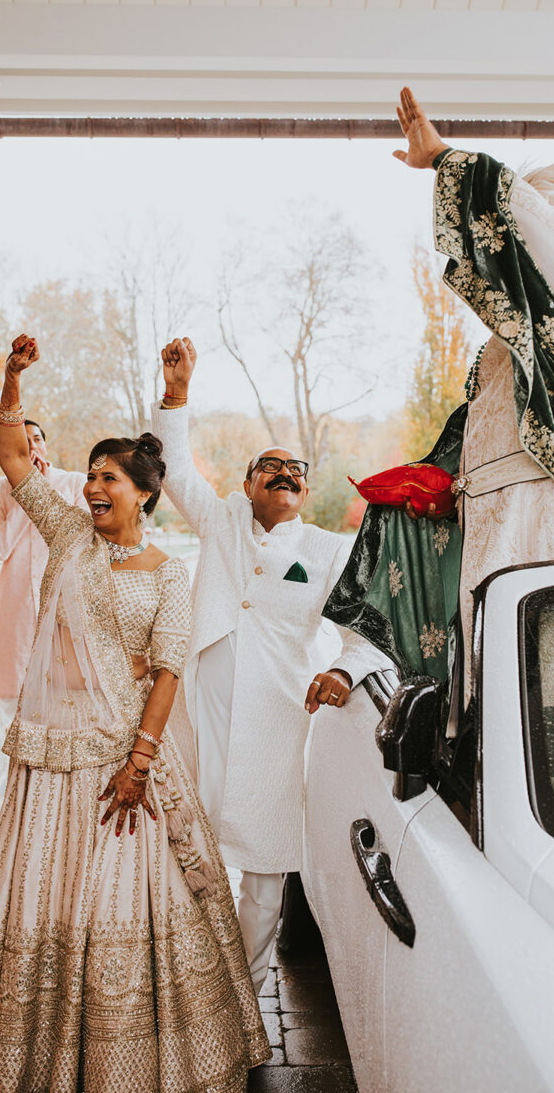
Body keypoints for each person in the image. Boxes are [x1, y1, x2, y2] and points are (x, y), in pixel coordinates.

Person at [0, 334, 270, 1093]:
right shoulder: (67, 536)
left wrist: (140, 763)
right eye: (90, 475)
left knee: (122, 904)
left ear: (143, 494)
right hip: (51, 760)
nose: (92, 487)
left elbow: (167, 670)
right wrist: (12, 382)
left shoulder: (167, 574)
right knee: (40, 900)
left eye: (108, 477)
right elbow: (15, 460)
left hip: (126, 763)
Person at [328, 88, 554, 809]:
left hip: (553, 535)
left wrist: (448, 160)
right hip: (492, 538)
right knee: (501, 725)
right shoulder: (504, 348)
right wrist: (438, 490)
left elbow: (547, 245)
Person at [151, 337, 387, 993]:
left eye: (296, 468)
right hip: (200, 718)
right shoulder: (221, 521)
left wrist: (344, 670)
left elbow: (370, 628)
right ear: (248, 484)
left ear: (305, 487)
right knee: (185, 849)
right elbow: (176, 472)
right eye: (270, 466)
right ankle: (183, 981)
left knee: (264, 868)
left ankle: (244, 997)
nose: (286, 473)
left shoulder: (328, 549)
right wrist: (176, 395)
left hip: (279, 726)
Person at [0, 419, 85, 704]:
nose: (31, 447)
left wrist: (40, 489)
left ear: (45, 446)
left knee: (67, 701)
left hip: (65, 611)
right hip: (18, 615)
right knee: (17, 706)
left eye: (37, 439)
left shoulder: (74, 483)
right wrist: (26, 493)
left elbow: (79, 542)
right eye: (22, 441)